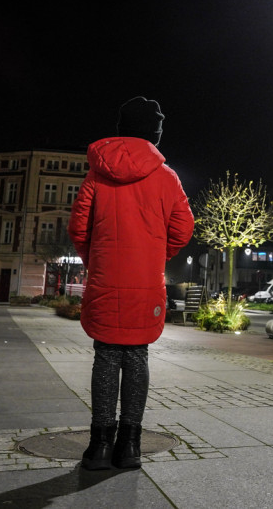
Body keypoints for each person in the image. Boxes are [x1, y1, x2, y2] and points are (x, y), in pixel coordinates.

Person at [68, 96, 194, 470]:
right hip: (145, 282)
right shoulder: (167, 177)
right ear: (156, 133)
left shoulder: (96, 173)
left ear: (120, 128)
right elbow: (183, 229)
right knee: (137, 357)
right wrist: (155, 255)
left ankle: (99, 446)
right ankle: (131, 446)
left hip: (106, 278)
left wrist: (97, 261)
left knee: (105, 356)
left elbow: (78, 227)